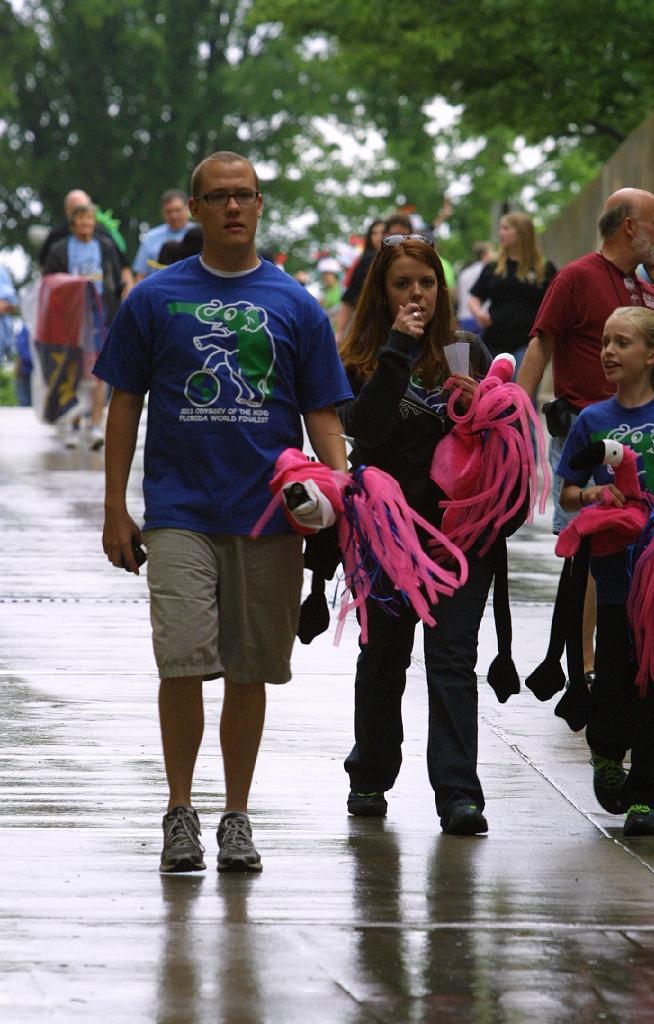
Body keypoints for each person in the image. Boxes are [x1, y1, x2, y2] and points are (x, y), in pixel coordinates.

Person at [95, 150, 351, 875]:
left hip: (269, 515)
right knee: (181, 658)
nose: (234, 207)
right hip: (178, 509)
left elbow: (321, 412)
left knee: (249, 669)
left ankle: (236, 816)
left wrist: (344, 488)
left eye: (245, 195)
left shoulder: (296, 304)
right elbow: (123, 404)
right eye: (219, 197)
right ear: (198, 209)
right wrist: (116, 507)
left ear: (261, 205)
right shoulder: (153, 297)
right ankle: (180, 811)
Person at [338, 234, 495, 836]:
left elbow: (502, 439)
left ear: (441, 288)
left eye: (425, 284)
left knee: (452, 660)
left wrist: (482, 405)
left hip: (459, 533)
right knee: (383, 657)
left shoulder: (465, 349)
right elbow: (367, 431)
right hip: (386, 533)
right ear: (383, 291)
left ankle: (458, 793)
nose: (416, 295)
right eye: (402, 285)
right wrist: (398, 350)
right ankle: (370, 776)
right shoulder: (359, 357)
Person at [518, 188, 654, 680]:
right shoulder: (575, 277)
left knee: (649, 541)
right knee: (589, 551)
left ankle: (642, 648)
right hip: (587, 434)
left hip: (649, 435)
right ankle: (586, 663)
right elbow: (540, 345)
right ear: (630, 226)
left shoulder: (649, 286)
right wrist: (511, 418)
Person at [557, 306, 654, 837]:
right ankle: (606, 751)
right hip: (612, 577)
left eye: (622, 342)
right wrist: (594, 493)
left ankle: (644, 798)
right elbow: (566, 493)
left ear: (652, 355)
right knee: (612, 682)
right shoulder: (593, 419)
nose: (608, 351)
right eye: (604, 341)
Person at [44, 203, 124, 449]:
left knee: (98, 372)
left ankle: (97, 424)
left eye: (90, 219)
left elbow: (117, 276)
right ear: (73, 223)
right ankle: (72, 421)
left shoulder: (105, 246)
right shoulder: (60, 249)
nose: (86, 224)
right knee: (72, 371)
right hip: (71, 317)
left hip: (100, 316)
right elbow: (49, 280)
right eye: (81, 219)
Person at [468, 212, 555, 361]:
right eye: (501, 228)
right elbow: (475, 297)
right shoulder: (494, 266)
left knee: (519, 384)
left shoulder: (544, 268)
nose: (500, 232)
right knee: (494, 383)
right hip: (494, 341)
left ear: (522, 232)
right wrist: (478, 313)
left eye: (506, 228)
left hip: (528, 342)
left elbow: (556, 301)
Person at [39, 189, 133, 297]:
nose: (84, 221)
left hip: (103, 301)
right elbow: (46, 273)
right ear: (68, 212)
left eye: (87, 214)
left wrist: (127, 296)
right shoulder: (56, 239)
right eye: (78, 212)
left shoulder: (105, 239)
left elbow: (123, 269)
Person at [336, 214, 411, 341]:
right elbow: (349, 299)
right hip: (371, 331)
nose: (378, 236)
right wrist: (339, 333)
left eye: (383, 232)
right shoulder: (368, 259)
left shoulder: (408, 262)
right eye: (374, 233)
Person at [132, 189, 191, 281]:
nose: (173, 216)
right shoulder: (151, 237)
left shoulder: (200, 235)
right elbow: (141, 275)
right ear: (162, 212)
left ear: (188, 208)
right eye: (169, 211)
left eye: (177, 210)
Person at [456, 241, 492, 334]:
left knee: (466, 347)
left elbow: (458, 295)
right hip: (481, 317)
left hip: (463, 317)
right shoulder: (488, 271)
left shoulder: (464, 272)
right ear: (485, 255)